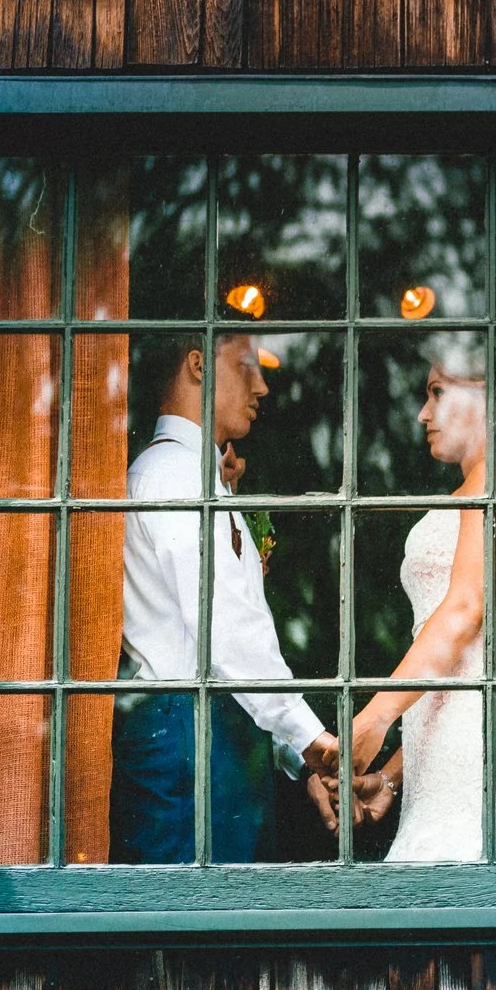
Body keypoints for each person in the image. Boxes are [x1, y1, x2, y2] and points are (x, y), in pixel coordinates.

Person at [111, 330, 341, 863]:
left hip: (216, 735)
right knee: (190, 923)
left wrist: (295, 751)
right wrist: (308, 738)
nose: (262, 386)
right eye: (246, 366)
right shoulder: (172, 476)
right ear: (197, 364)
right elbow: (225, 631)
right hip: (184, 734)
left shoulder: (199, 478)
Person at [340, 348, 496, 861]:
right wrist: (390, 776)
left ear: (487, 396)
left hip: (489, 714)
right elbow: (448, 666)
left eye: (436, 392)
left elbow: (464, 610)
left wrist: (374, 717)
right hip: (445, 727)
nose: (422, 414)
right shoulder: (473, 486)